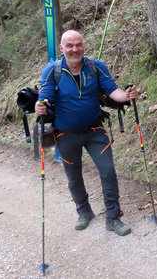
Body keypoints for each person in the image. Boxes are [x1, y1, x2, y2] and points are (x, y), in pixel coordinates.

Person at [35, 30, 138, 236]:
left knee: (108, 171)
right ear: (62, 48)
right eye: (70, 45)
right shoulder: (51, 71)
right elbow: (45, 96)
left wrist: (126, 96)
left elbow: (112, 90)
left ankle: (113, 217)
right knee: (73, 177)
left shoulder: (96, 67)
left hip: (94, 131)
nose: (75, 49)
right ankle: (84, 211)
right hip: (66, 134)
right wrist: (40, 105)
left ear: (83, 46)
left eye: (78, 44)